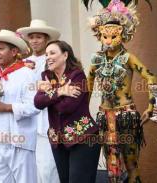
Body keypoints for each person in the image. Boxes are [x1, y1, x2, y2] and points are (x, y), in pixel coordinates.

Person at [86, 0, 157, 182]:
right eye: (105, 36)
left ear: (123, 34)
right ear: (99, 35)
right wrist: (85, 114)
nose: (109, 40)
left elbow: (152, 78)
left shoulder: (128, 58)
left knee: (131, 163)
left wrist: (151, 106)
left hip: (126, 116)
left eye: (113, 36)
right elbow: (88, 86)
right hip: (104, 116)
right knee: (111, 165)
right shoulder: (96, 60)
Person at [34, 40, 101, 183]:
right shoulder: (46, 76)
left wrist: (49, 94)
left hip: (83, 139)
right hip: (58, 141)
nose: (48, 57)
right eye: (46, 54)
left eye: (52, 53)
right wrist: (60, 92)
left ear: (65, 55)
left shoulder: (77, 76)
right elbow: (38, 102)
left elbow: (65, 107)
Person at [0, 29, 39, 183]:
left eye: (1, 48)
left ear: (14, 51)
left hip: (20, 139)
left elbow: (35, 105)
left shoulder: (27, 74)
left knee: (26, 180)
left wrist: (6, 107)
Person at [17, 19, 60, 183]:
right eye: (31, 37)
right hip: (27, 121)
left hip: (46, 119)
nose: (34, 41)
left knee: (47, 168)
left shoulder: (54, 61)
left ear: (46, 39)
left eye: (39, 37)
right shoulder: (21, 64)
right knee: (30, 169)